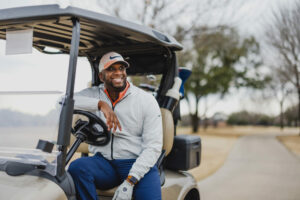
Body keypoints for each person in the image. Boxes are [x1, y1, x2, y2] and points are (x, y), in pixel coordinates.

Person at [68, 51, 163, 200]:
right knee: (77, 167)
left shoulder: (145, 100)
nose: (118, 73)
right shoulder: (94, 94)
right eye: (111, 69)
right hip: (105, 163)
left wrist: (130, 181)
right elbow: (62, 102)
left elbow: (153, 147)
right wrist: (100, 104)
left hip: (137, 163)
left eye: (121, 68)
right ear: (101, 76)